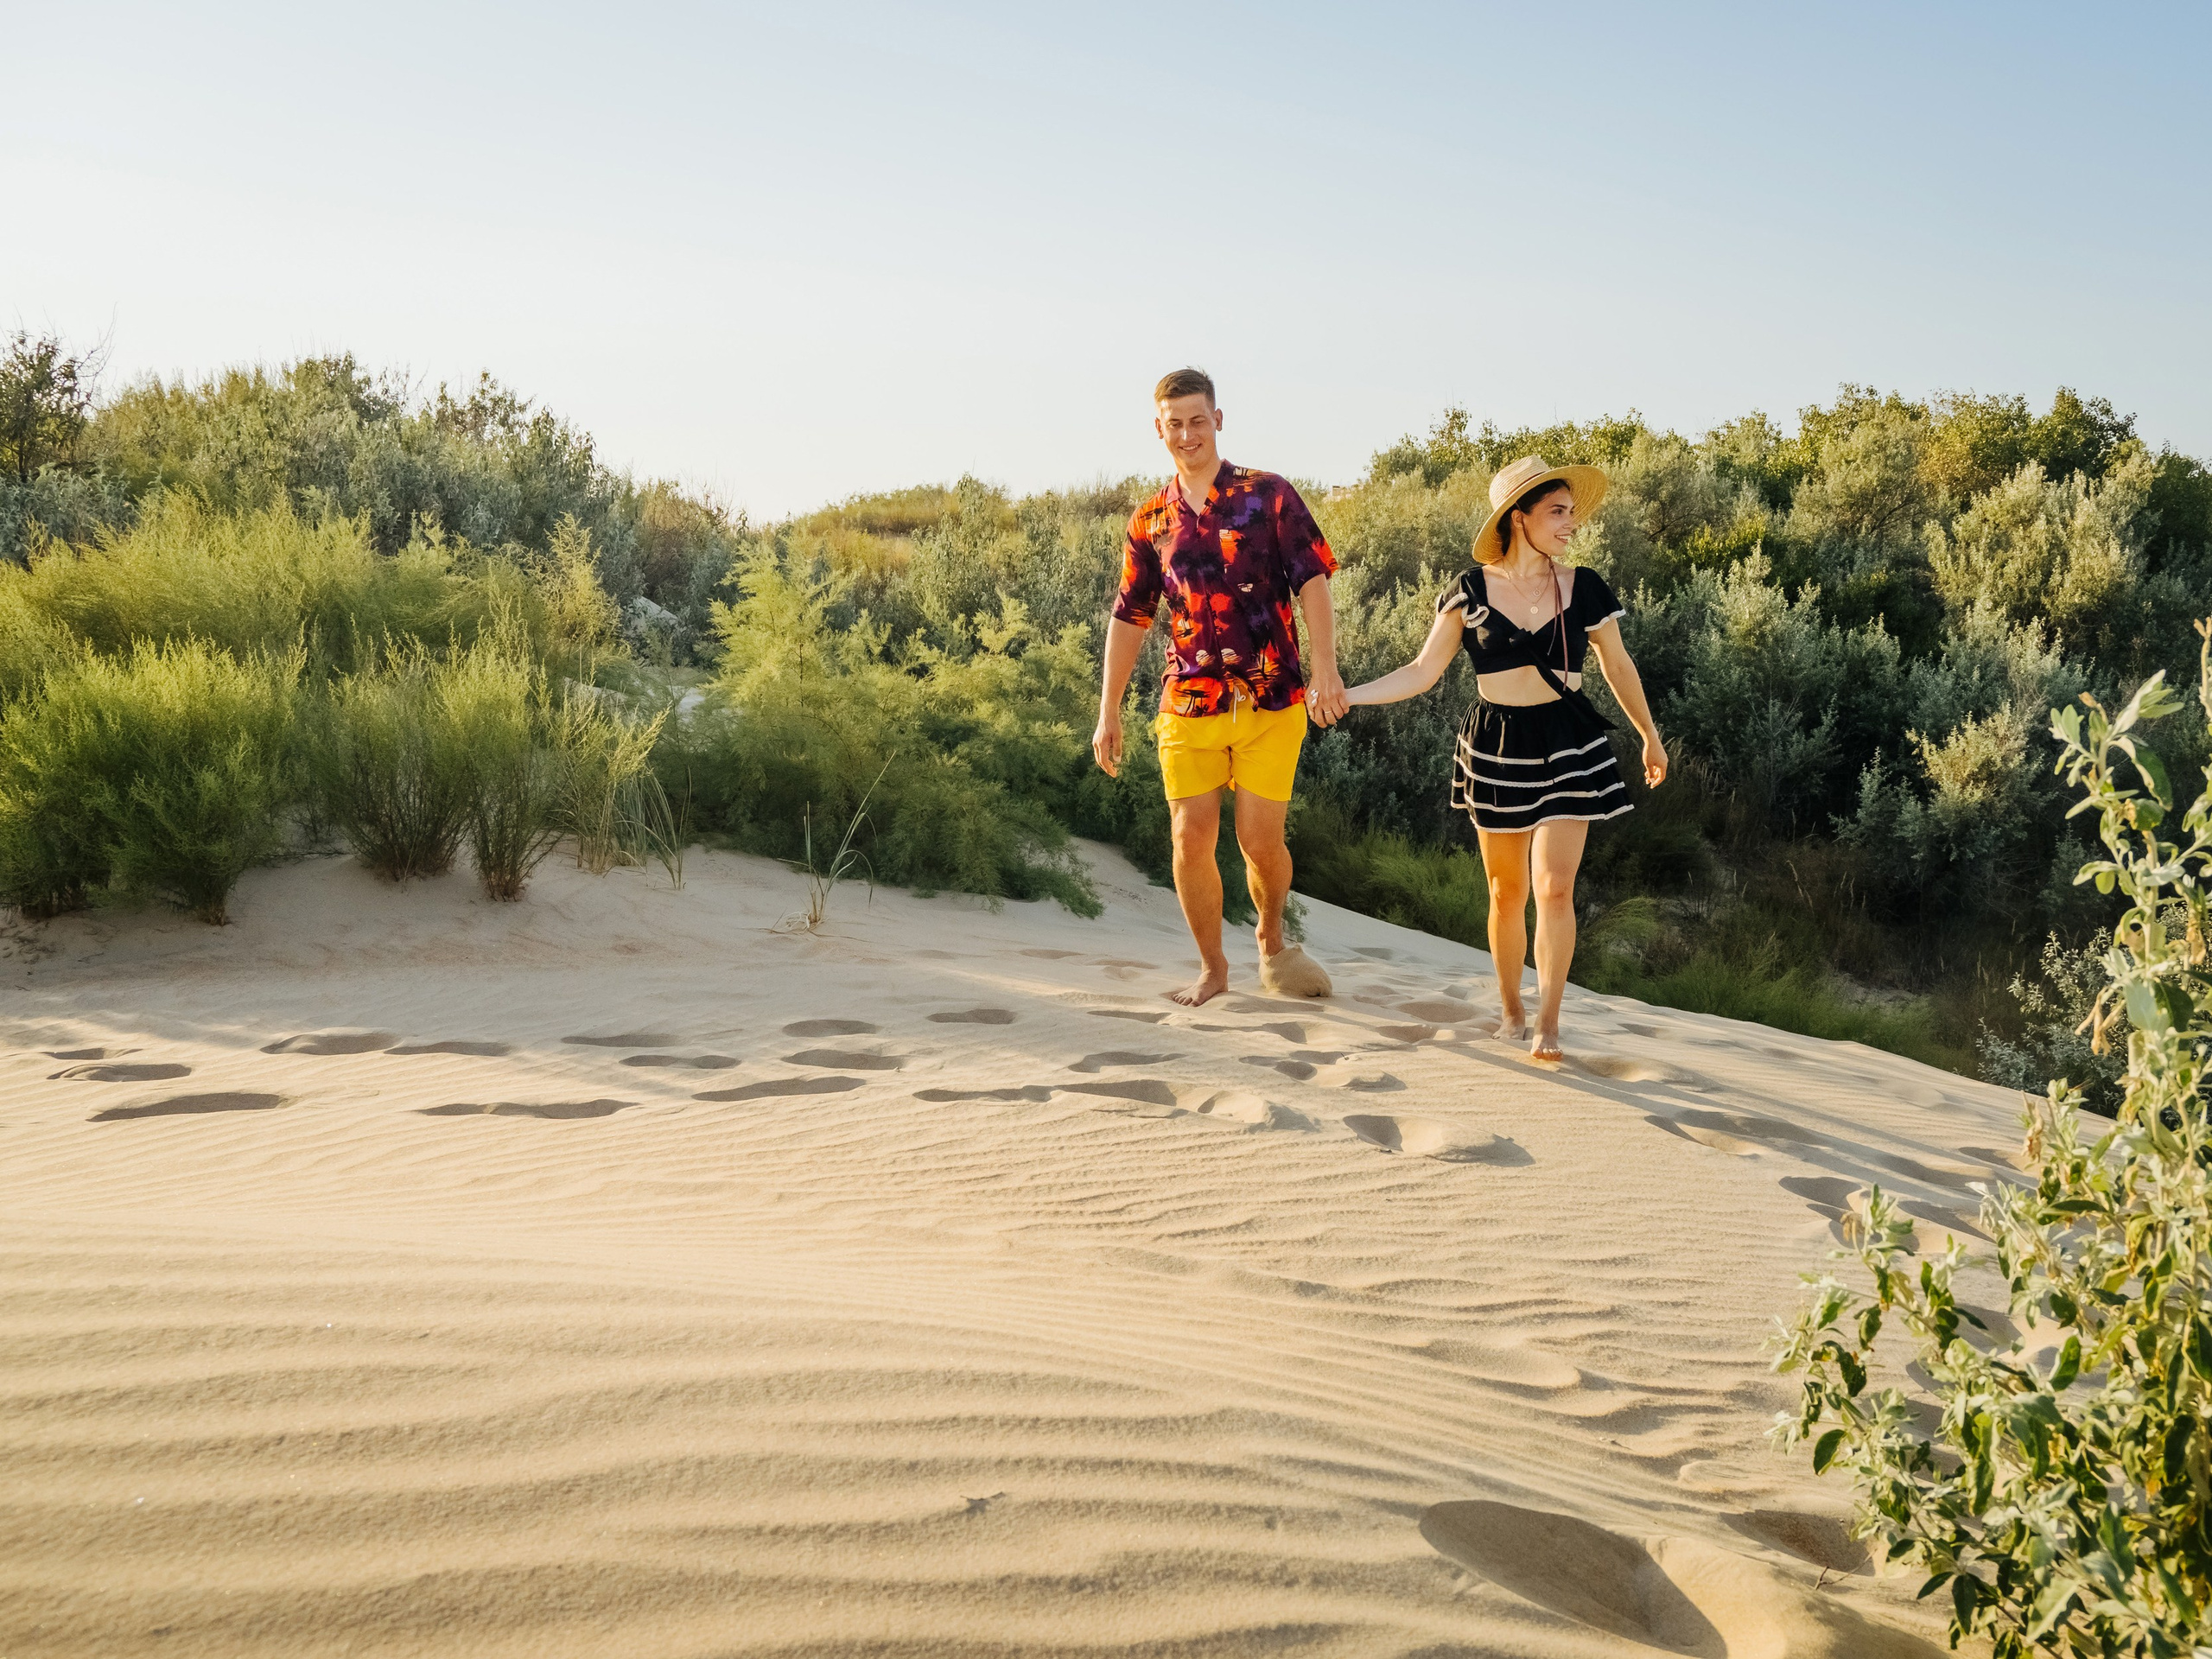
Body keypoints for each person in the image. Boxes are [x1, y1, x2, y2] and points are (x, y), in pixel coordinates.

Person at [1341, 455, 1668, 1061]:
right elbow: (1421, 671)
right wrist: (1348, 696)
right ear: (1520, 518)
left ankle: (1548, 1022)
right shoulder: (1469, 592)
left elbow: (1617, 666)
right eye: (1558, 512)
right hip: (1497, 743)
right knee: (1504, 891)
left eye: (1572, 512)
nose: (1571, 523)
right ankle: (1511, 1008)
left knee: (1555, 889)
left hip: (1569, 740)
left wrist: (1649, 733)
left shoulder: (1586, 586)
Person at [1091, 368, 1349, 1007]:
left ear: (1218, 420)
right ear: (1159, 429)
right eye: (1174, 423)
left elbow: (1313, 582)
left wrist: (1325, 669)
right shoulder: (1150, 519)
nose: (1187, 433)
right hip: (1189, 701)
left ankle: (1268, 929)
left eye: (1197, 420)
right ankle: (1213, 968)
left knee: (1260, 843)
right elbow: (1131, 616)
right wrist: (1109, 711)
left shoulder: (1270, 496)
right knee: (1189, 836)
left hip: (1271, 699)